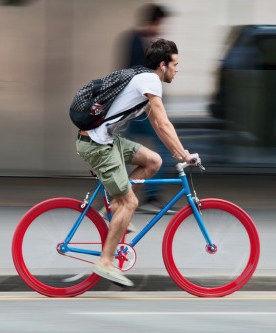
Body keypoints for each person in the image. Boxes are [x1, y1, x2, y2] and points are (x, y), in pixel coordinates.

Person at [75, 39, 200, 287]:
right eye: (175, 64)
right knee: (130, 202)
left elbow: (158, 124)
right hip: (97, 145)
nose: (177, 69)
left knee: (153, 161)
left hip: (106, 141)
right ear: (163, 65)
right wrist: (185, 156)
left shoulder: (143, 78)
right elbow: (164, 123)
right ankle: (106, 262)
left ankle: (111, 210)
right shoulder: (150, 80)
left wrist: (178, 151)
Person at [120, 4, 174, 213]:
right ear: (154, 22)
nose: (162, 27)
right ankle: (146, 197)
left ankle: (124, 195)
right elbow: (131, 74)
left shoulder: (150, 42)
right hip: (138, 107)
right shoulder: (135, 41)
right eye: (161, 23)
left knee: (138, 151)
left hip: (145, 106)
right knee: (161, 149)